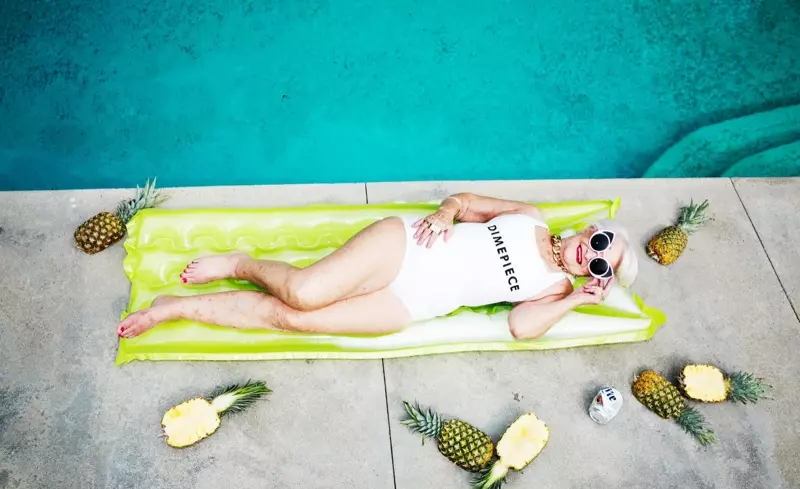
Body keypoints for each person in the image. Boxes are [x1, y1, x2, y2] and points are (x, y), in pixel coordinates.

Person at [118, 192, 638, 340]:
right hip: (405, 248)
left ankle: (176, 308)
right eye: (601, 243)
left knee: (295, 318)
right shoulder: (530, 218)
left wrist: (571, 299)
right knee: (302, 292)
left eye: (600, 266)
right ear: (592, 229)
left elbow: (521, 327)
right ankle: (240, 262)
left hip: (410, 303)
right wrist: (445, 212)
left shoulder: (551, 287)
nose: (591, 256)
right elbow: (464, 201)